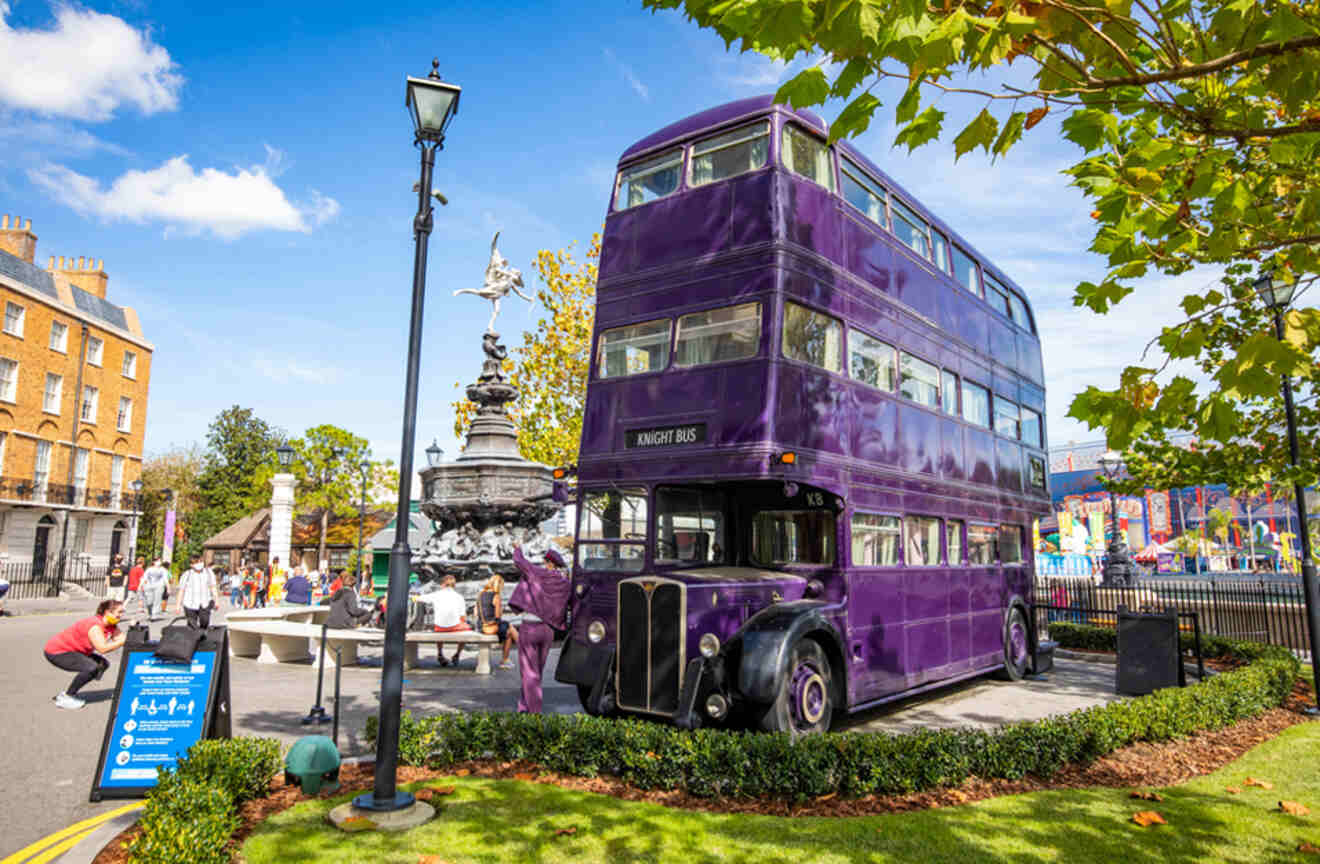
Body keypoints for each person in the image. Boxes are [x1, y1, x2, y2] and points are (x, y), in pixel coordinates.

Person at [510, 546, 571, 713]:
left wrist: (518, 549)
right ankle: (523, 706)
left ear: (547, 562)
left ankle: (534, 711)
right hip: (548, 631)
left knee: (529, 672)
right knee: (536, 672)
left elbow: (519, 561)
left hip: (530, 628)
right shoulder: (565, 583)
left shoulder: (538, 573)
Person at [44, 598, 126, 709]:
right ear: (107, 612)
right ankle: (67, 697)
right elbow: (102, 648)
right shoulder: (95, 626)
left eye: (122, 612)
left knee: (102, 664)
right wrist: (121, 642)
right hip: (57, 651)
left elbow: (123, 638)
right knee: (91, 667)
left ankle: (76, 686)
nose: (122, 615)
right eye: (119, 612)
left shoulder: (111, 625)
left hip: (75, 650)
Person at [419, 574, 470, 666]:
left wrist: (413, 597)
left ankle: (440, 653)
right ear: (454, 585)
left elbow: (420, 598)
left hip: (439, 628)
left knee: (439, 625)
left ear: (442, 584)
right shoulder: (459, 597)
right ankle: (457, 654)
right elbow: (463, 617)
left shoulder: (436, 594)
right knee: (467, 628)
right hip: (454, 627)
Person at [474, 568, 519, 669]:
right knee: (510, 631)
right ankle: (506, 659)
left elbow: (476, 612)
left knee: (509, 627)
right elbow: (498, 616)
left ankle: (522, 650)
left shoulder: (480, 594)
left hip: (481, 626)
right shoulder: (496, 596)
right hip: (491, 628)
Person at [177, 556, 218, 630]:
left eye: (200, 562)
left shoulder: (209, 573)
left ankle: (203, 637)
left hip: (205, 602)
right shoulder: (187, 574)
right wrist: (178, 605)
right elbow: (181, 590)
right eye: (196, 562)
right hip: (189, 602)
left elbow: (213, 587)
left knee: (205, 621)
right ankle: (192, 639)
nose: (199, 564)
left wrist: (216, 601)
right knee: (192, 625)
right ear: (191, 565)